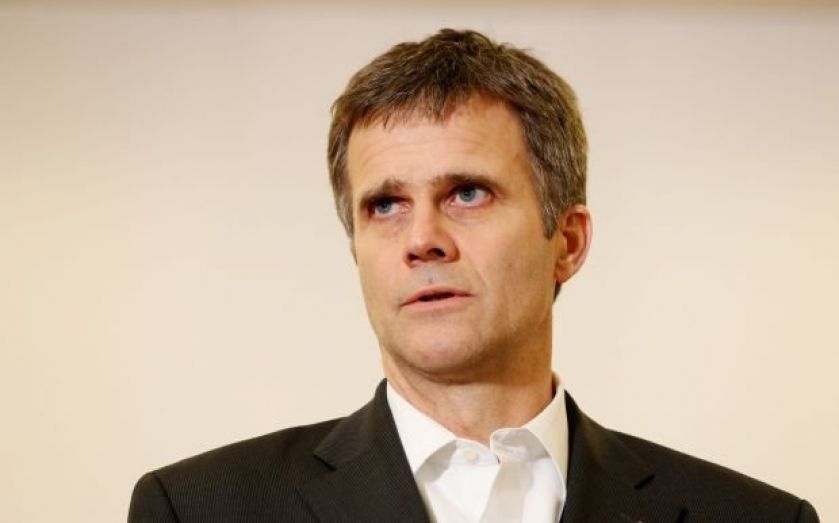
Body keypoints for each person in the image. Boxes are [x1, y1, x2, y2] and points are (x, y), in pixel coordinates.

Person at [129, 29, 819, 522]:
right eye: (385, 205)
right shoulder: (196, 509)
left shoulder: (756, 517)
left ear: (568, 241)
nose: (421, 239)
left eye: (467, 193)